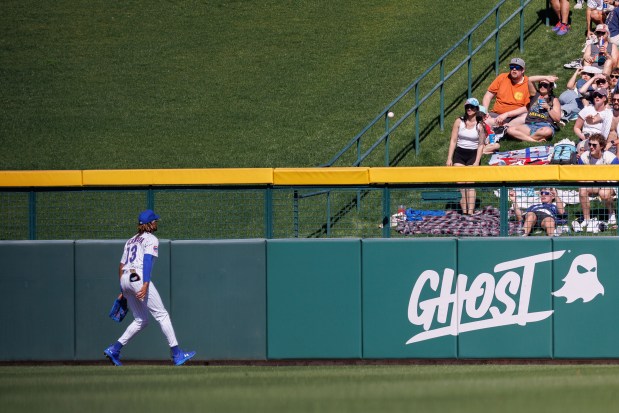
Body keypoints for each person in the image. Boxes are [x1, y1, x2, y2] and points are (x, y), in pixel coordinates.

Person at [103, 209, 196, 366]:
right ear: (149, 224)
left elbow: (121, 265)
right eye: (155, 221)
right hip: (138, 276)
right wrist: (145, 283)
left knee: (141, 319)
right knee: (162, 315)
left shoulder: (130, 240)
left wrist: (122, 290)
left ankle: (114, 349)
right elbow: (146, 261)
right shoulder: (151, 239)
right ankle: (177, 354)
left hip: (125, 278)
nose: (156, 223)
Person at [446, 98, 486, 215]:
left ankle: (471, 212)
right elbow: (453, 140)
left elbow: (480, 145)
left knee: (470, 184)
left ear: (476, 109)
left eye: (472, 107)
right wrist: (449, 158)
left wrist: (477, 162)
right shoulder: (459, 121)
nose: (469, 109)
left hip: (472, 154)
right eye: (467, 107)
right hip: (459, 154)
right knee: (461, 184)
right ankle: (464, 213)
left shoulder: (480, 126)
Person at [577, 133, 619, 228]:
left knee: (603, 193)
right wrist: (594, 179)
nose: (591, 147)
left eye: (594, 145)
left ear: (602, 146)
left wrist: (604, 180)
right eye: (590, 144)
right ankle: (586, 219)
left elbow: (617, 177)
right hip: (594, 183)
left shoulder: (610, 157)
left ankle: (611, 213)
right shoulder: (584, 157)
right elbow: (579, 178)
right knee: (582, 190)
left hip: (610, 184)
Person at [506, 78, 561, 142]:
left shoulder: (554, 100)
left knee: (547, 131)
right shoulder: (535, 95)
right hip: (530, 125)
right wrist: (546, 77)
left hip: (544, 125)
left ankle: (524, 137)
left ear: (551, 87)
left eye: (545, 85)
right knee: (510, 130)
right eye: (540, 85)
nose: (542, 87)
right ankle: (534, 140)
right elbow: (529, 79)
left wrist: (548, 108)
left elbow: (557, 119)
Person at [482, 58, 530, 128]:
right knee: (478, 117)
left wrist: (507, 114)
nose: (514, 69)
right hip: (497, 115)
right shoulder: (502, 77)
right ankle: (505, 128)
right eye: (511, 67)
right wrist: (485, 112)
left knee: (525, 117)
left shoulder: (528, 83)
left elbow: (527, 107)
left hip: (515, 117)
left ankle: (503, 127)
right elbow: (488, 96)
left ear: (523, 70)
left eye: (517, 67)